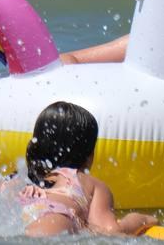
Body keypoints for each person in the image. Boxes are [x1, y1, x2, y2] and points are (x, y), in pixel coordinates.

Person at [16, 101, 156, 237]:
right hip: (53, 226)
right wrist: (141, 219)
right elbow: (110, 231)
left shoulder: (20, 178)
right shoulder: (88, 183)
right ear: (90, 154)